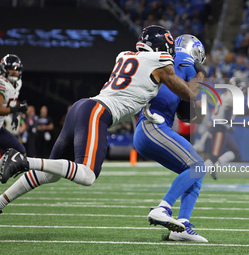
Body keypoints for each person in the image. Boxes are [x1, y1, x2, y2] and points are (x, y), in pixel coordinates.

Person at [0, 26, 204, 234]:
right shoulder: (159, 62)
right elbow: (188, 94)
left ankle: (1, 201)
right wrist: (199, 74)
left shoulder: (124, 55)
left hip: (82, 107)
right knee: (87, 175)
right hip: (97, 112)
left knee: (49, 175)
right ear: (162, 47)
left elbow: (136, 91)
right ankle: (23, 161)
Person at [133, 34, 208, 242]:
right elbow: (193, 104)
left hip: (147, 130)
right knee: (197, 167)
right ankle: (163, 208)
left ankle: (181, 226)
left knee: (194, 172)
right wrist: (201, 75)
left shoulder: (166, 60)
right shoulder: (185, 59)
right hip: (153, 126)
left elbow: (184, 110)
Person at [204, 78, 242, 180]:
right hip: (219, 128)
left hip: (222, 128)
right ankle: (197, 173)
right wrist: (242, 124)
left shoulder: (225, 95)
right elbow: (227, 118)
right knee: (213, 156)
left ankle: (215, 166)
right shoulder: (230, 98)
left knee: (235, 151)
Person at [0, 54, 28, 156]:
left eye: (17, 69)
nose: (14, 71)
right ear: (4, 69)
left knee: (21, 151)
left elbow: (10, 101)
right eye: (11, 68)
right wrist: (15, 109)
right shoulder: (2, 83)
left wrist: (16, 111)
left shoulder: (17, 83)